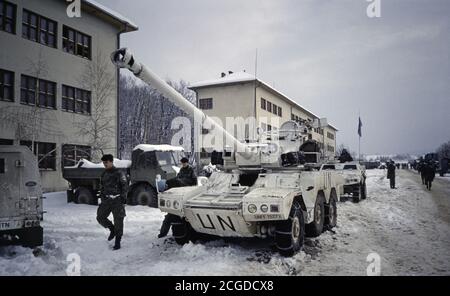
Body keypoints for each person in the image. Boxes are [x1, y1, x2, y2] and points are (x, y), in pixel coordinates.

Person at [158, 158, 197, 238]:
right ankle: (162, 233)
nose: (183, 164)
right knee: (170, 181)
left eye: (184, 163)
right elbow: (178, 177)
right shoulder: (182, 170)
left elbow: (194, 180)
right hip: (181, 185)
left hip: (188, 184)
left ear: (187, 163)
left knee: (177, 181)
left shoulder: (190, 170)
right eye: (182, 163)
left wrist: (191, 186)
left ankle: (163, 233)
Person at [96, 154, 128, 250]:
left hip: (117, 200)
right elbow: (102, 187)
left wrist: (123, 198)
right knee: (100, 217)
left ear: (111, 161)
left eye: (106, 162)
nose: (104, 164)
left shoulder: (119, 173)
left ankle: (117, 241)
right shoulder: (104, 174)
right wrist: (102, 197)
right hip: (106, 200)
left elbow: (125, 186)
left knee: (118, 220)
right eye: (103, 163)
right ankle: (112, 229)